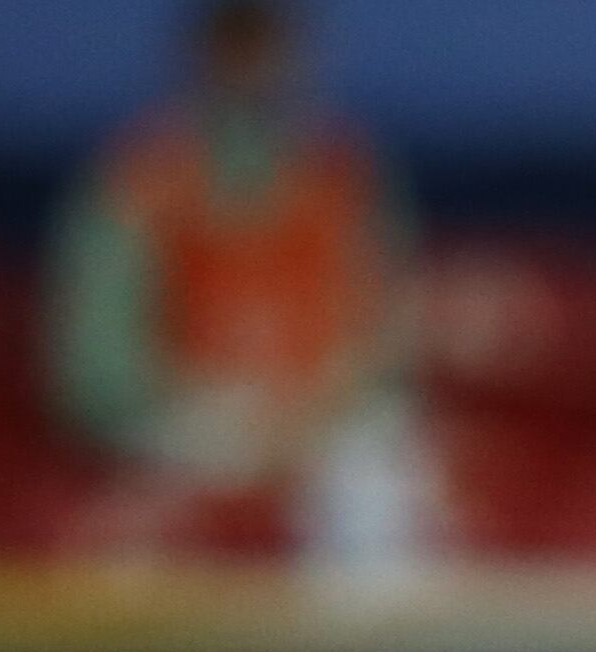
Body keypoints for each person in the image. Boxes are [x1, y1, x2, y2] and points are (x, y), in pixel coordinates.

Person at [47, 0, 436, 568]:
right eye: (237, 47)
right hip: (183, 422)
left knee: (382, 487)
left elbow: (389, 332)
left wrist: (314, 411)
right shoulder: (138, 179)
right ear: (200, 56)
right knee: (125, 537)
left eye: (266, 48)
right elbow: (94, 367)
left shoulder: (345, 174)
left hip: (324, 424)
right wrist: (211, 413)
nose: (253, 68)